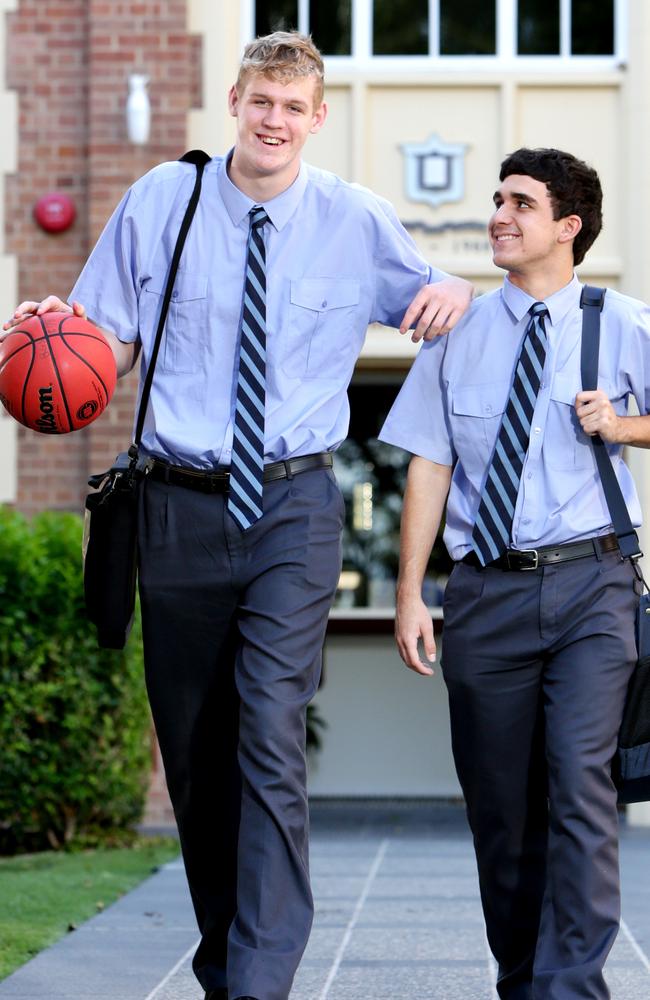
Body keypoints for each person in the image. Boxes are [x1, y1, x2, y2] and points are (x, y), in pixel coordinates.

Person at [3, 31, 472, 1000]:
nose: (273, 120)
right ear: (234, 98)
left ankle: (261, 975)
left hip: (294, 503)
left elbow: (429, 299)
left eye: (292, 107)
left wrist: (456, 288)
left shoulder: (357, 218)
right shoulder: (160, 202)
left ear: (317, 117)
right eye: (260, 100)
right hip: (176, 504)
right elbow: (107, 348)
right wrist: (50, 343)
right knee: (195, 754)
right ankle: (226, 959)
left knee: (267, 723)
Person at [379, 147, 650, 1000]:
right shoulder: (459, 334)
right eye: (497, 199)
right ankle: (524, 980)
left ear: (567, 228)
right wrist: (410, 591)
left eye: (520, 203)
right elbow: (429, 461)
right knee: (503, 815)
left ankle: (571, 990)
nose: (499, 214)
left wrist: (627, 427)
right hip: (484, 594)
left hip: (594, 585)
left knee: (580, 789)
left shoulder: (623, 324)